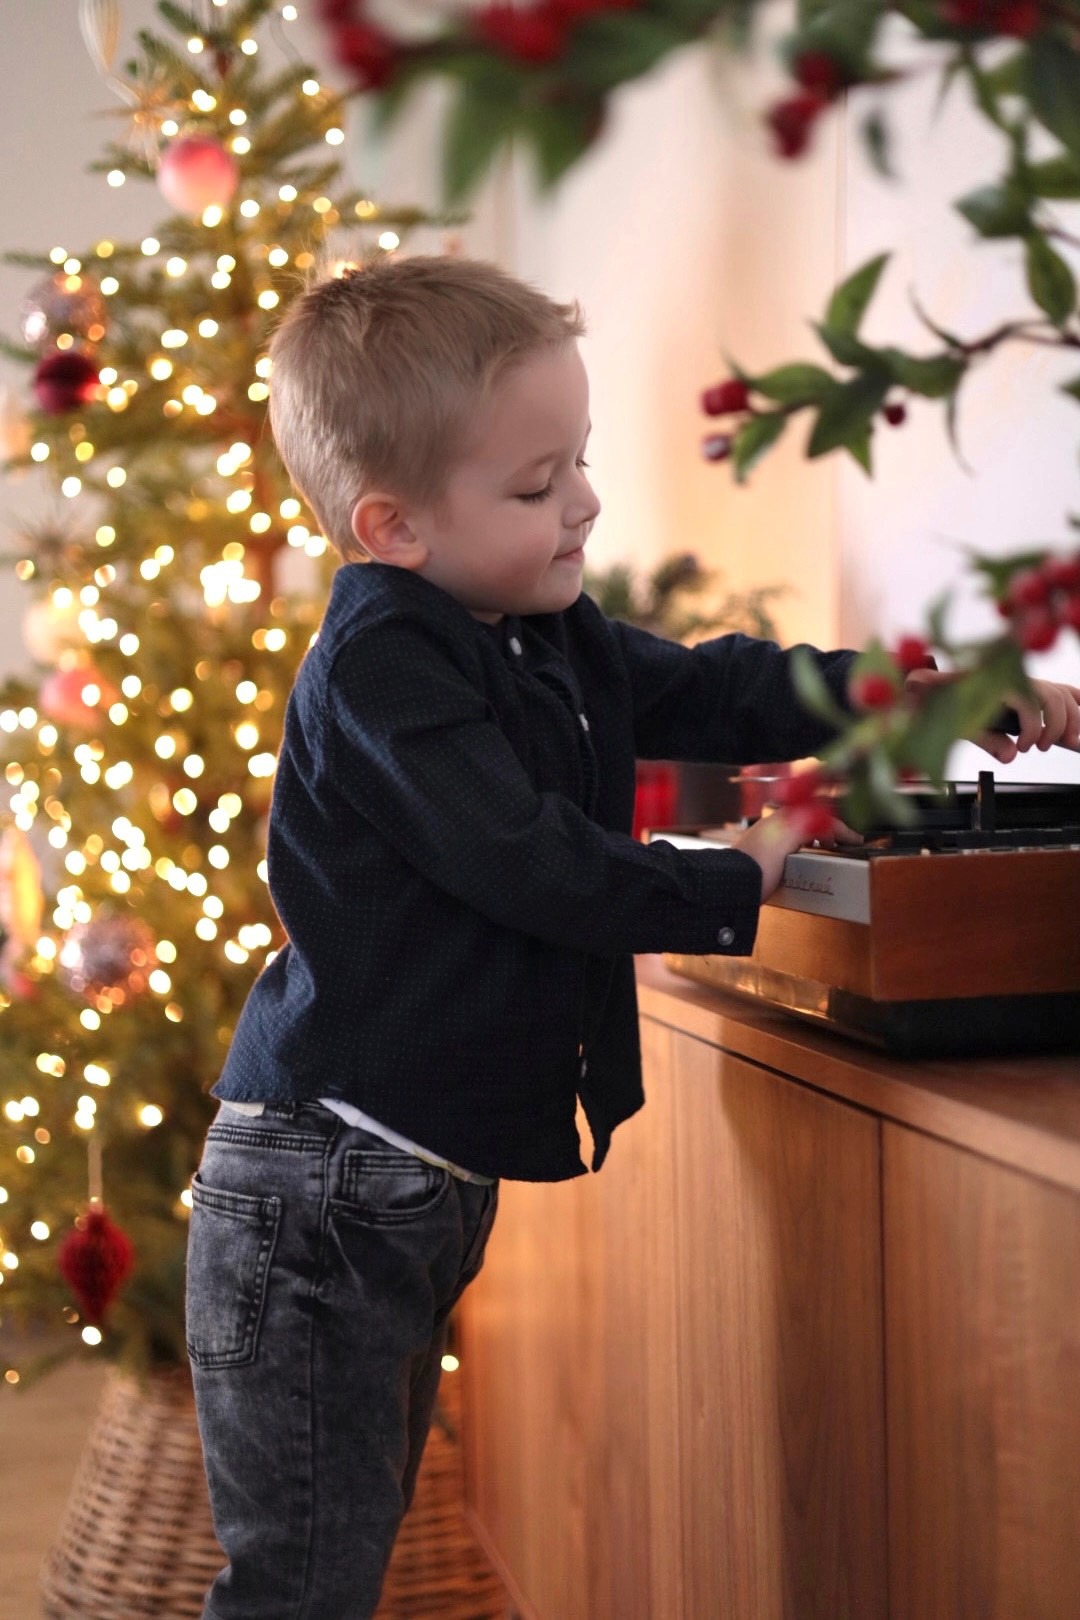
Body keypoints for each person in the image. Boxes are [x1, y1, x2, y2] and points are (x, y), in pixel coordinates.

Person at [185, 253, 1080, 1620]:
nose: (584, 504)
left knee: (333, 1563)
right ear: (395, 527)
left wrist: (924, 699)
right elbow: (533, 865)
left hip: (394, 1185)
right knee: (301, 1584)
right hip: (319, 1195)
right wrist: (745, 871)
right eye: (537, 486)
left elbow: (725, 690)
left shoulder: (543, 632)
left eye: (579, 463)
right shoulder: (381, 665)